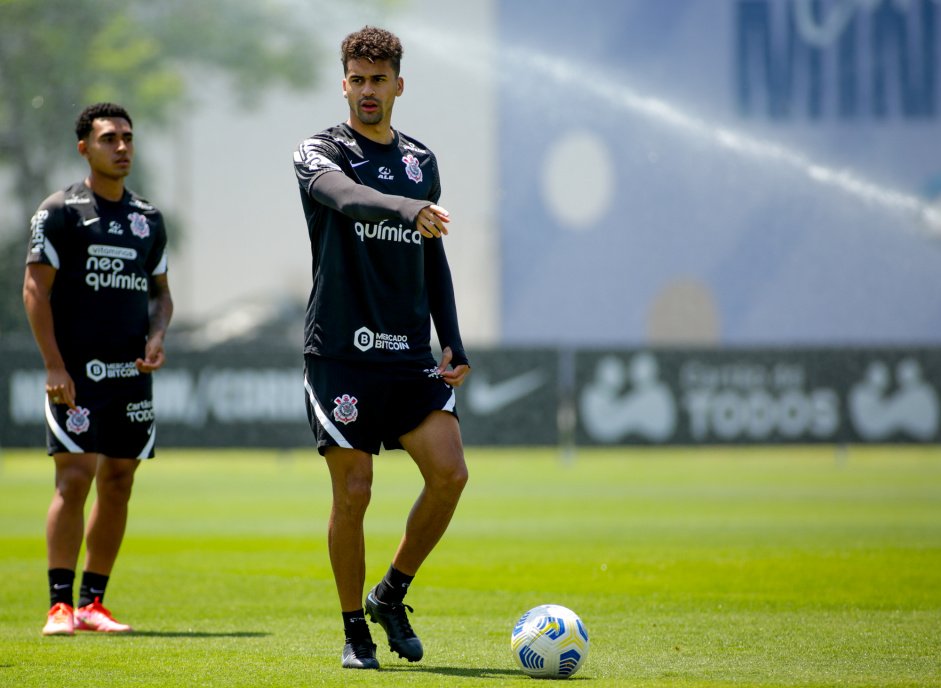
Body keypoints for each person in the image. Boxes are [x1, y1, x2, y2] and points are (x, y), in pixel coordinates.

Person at [293, 26, 470, 669]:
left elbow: (434, 260)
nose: (368, 91)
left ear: (399, 83)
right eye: (357, 80)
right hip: (339, 351)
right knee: (355, 489)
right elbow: (347, 198)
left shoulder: (422, 160)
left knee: (450, 475)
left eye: (379, 79)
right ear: (344, 84)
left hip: (408, 352)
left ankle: (390, 593)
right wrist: (406, 209)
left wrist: (452, 340)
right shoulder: (320, 151)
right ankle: (353, 632)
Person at [23, 102, 173, 636]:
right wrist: (53, 365)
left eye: (128, 137)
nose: (123, 147)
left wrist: (157, 335)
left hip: (132, 375)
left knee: (118, 480)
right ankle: (59, 605)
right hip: (76, 375)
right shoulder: (59, 211)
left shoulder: (148, 218)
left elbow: (161, 295)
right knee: (74, 477)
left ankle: (94, 604)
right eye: (110, 138)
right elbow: (35, 289)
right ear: (84, 146)